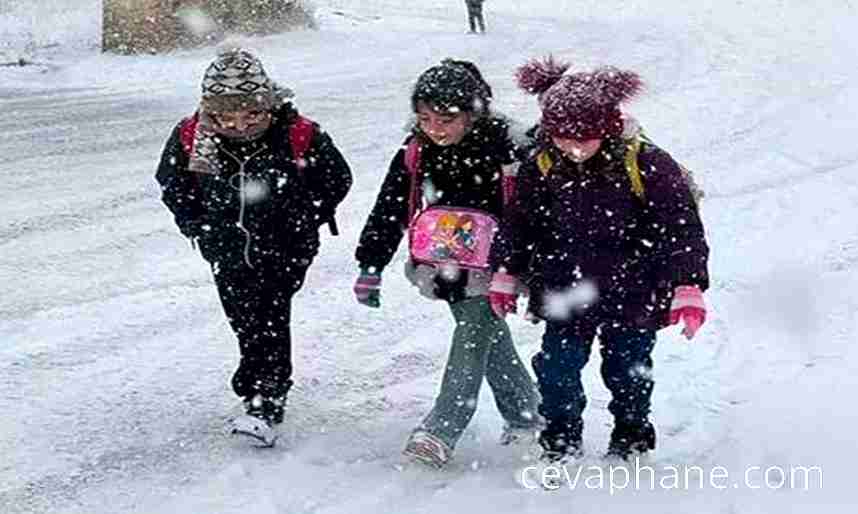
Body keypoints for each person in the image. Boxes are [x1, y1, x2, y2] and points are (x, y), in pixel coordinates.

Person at [489, 56, 710, 463]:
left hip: (634, 291)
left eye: (584, 138)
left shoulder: (647, 163)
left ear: (607, 127)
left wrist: (687, 285)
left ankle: (631, 434)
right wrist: (505, 272)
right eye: (562, 137)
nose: (573, 148)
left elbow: (681, 227)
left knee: (628, 373)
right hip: (565, 290)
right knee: (556, 372)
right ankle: (560, 439)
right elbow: (519, 222)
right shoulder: (541, 164)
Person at [155, 48, 352, 446]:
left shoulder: (295, 134)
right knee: (243, 315)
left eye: (250, 115)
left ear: (266, 105)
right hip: (225, 247)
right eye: (226, 116)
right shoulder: (200, 136)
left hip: (285, 246)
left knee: (270, 312)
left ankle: (266, 399)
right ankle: (254, 382)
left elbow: (337, 179)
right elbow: (174, 184)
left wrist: (304, 216)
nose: (239, 125)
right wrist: (197, 224)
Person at [353, 59, 541, 468]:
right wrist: (371, 263)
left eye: (446, 119)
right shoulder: (416, 150)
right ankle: (527, 414)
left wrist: (536, 265)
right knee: (486, 333)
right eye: (424, 118)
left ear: (473, 115)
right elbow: (389, 208)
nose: (434, 128)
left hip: (500, 264)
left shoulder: (510, 147)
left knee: (475, 329)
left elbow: (540, 208)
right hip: (444, 262)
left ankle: (441, 428)